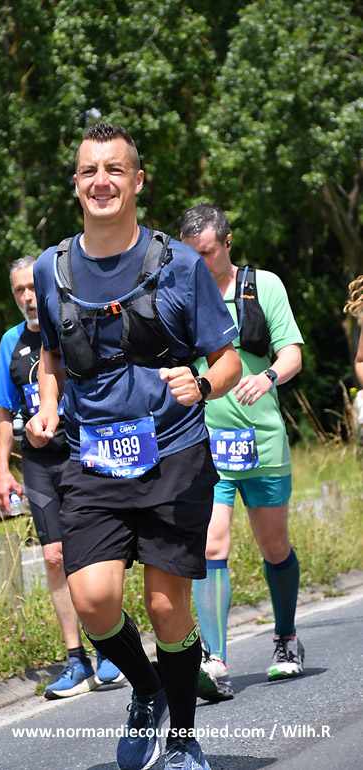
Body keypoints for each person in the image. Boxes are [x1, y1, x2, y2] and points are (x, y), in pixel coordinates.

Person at [26, 123, 242, 770]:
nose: (102, 181)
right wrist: (48, 405)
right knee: (93, 600)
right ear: (75, 184)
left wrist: (201, 384)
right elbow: (51, 355)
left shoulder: (180, 264)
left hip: (174, 453)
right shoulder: (51, 268)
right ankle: (146, 692)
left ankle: (181, 740)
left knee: (166, 606)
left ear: (138, 181)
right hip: (94, 456)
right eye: (90, 171)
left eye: (115, 170)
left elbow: (227, 360)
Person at [178, 204, 304, 702]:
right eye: (191, 255)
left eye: (207, 253)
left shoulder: (264, 285)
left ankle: (286, 637)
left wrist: (268, 376)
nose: (200, 263)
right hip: (207, 444)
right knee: (211, 546)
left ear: (227, 243)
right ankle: (215, 660)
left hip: (262, 441)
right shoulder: (180, 296)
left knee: (274, 547)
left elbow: (292, 352)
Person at [0, 256, 123, 699]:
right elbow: (5, 411)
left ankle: (109, 647)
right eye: (19, 290)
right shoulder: (10, 342)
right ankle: (76, 659)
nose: (28, 297)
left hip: (80, 451)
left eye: (33, 287)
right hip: (38, 460)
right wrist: (2, 470)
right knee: (53, 557)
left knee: (90, 552)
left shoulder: (70, 324)